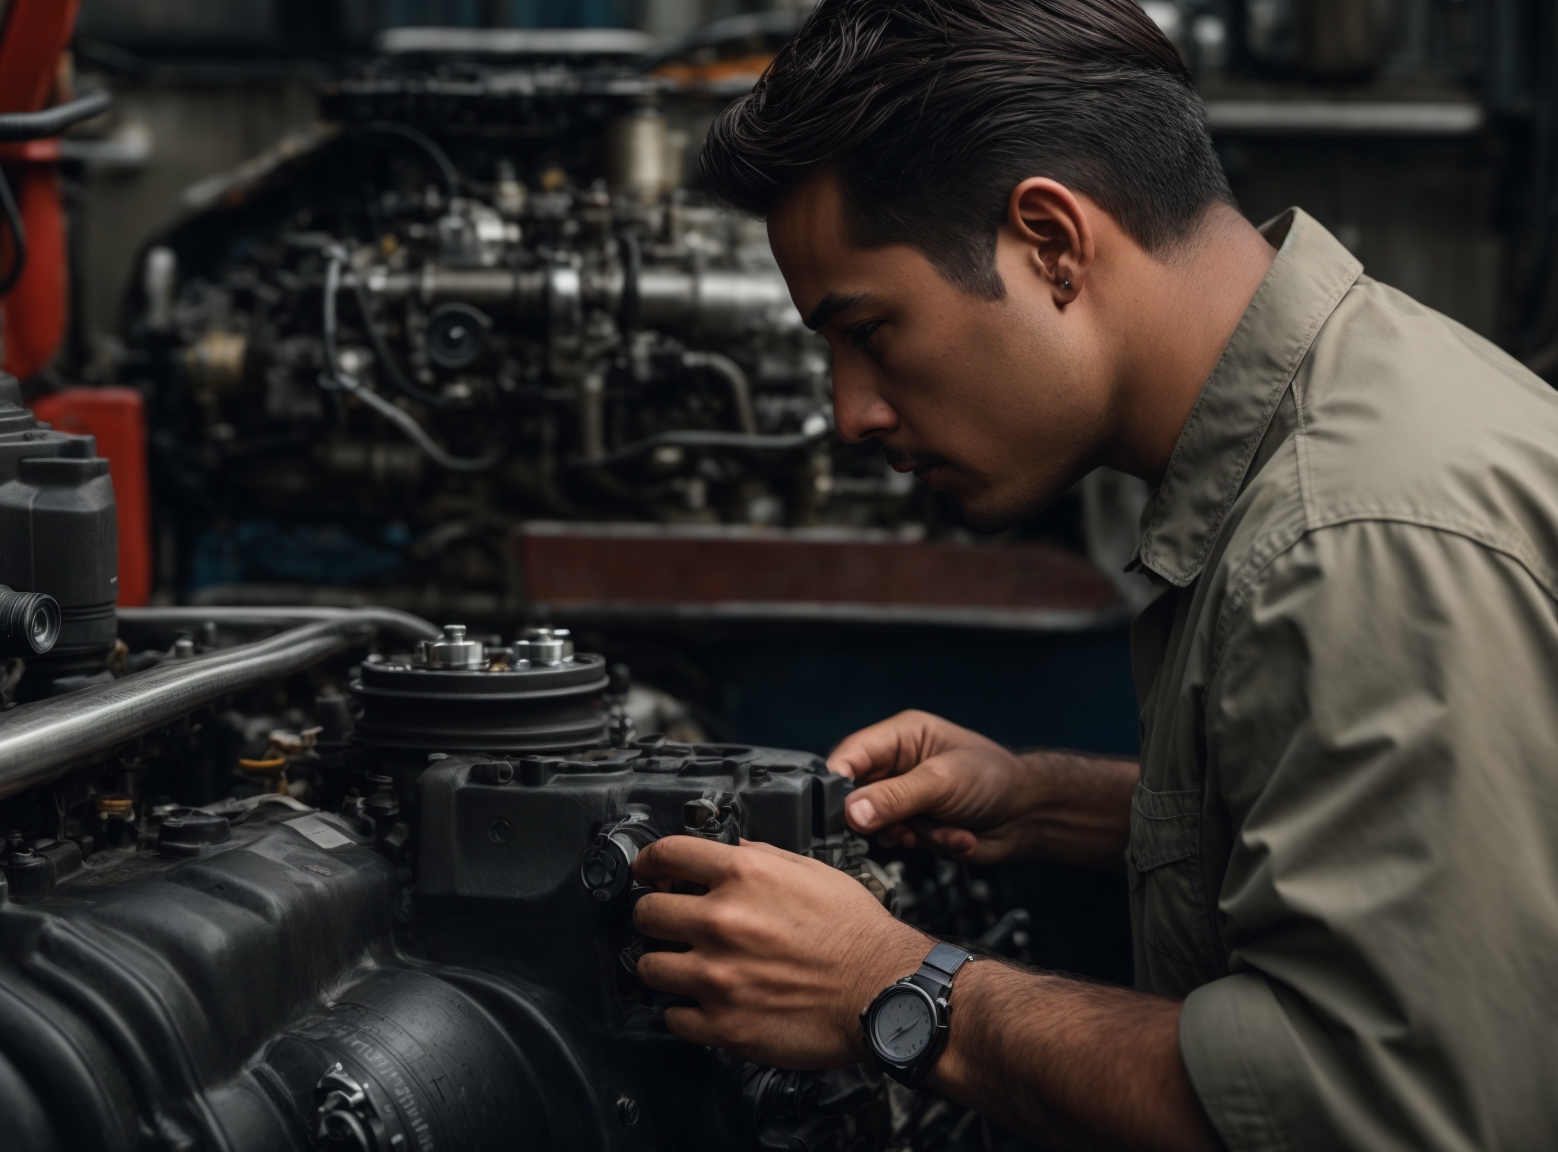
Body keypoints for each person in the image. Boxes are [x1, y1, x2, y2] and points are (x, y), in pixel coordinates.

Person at [628, 0, 1558, 1149]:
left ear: (1053, 244)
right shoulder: (1349, 412)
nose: (850, 412)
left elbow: (1377, 1113)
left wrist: (892, 984)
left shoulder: (1350, 539)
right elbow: (1422, 858)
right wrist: (1050, 801)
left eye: (870, 331)